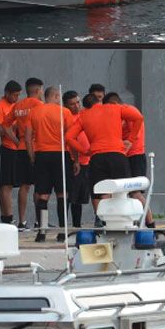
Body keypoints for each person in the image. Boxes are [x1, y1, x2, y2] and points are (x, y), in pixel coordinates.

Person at [65, 94, 143, 220]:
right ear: (99, 101)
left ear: (85, 106)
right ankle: (126, 221)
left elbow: (69, 137)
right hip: (117, 155)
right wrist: (131, 139)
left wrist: (84, 151)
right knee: (122, 191)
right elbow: (138, 117)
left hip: (97, 157)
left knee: (102, 193)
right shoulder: (114, 108)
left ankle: (105, 222)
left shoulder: (83, 116)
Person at [26, 86, 77, 243]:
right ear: (55, 96)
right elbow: (71, 137)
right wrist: (75, 159)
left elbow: (28, 137)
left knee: (42, 195)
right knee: (62, 194)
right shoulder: (65, 112)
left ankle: (42, 232)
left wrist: (32, 155)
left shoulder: (34, 112)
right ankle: (62, 231)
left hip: (41, 155)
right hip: (61, 154)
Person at [104, 92, 154, 228]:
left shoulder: (128, 112)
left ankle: (150, 222)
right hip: (126, 156)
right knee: (127, 192)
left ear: (113, 104)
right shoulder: (124, 113)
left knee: (135, 192)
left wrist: (128, 141)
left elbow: (135, 129)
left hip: (135, 155)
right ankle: (138, 221)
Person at [4, 77, 44, 230]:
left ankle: (22, 222)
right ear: (38, 90)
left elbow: (5, 125)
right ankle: (39, 221)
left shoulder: (18, 105)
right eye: (41, 90)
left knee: (24, 186)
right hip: (36, 147)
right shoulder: (39, 105)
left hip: (20, 148)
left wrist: (16, 140)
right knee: (39, 186)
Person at [0, 80, 21, 225]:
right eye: (14, 95)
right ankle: (7, 217)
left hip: (18, 148)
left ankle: (7, 216)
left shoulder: (17, 106)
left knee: (13, 184)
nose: (16, 98)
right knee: (6, 184)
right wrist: (11, 131)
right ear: (7, 93)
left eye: (18, 95)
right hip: (8, 148)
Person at [63, 90, 92, 228]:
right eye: (72, 104)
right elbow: (69, 140)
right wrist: (75, 160)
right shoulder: (67, 118)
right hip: (73, 160)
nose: (76, 106)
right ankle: (67, 226)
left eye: (78, 102)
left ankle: (77, 225)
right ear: (66, 105)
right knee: (70, 196)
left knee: (80, 197)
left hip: (88, 160)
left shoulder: (86, 115)